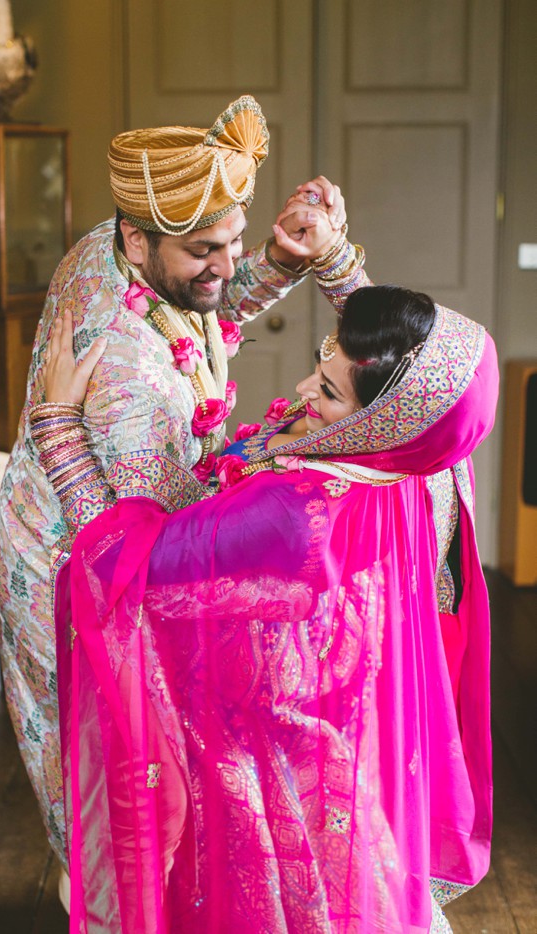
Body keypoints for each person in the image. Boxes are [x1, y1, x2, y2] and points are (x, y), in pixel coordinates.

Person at [32, 222, 498, 932]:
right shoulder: (419, 459)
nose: (310, 386)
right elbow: (407, 365)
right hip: (324, 720)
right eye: (323, 356)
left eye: (334, 394)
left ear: (377, 423)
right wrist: (335, 262)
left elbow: (126, 569)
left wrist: (59, 428)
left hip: (255, 746)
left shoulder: (296, 510)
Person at [0, 93, 355, 865]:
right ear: (136, 236)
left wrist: (280, 263)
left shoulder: (117, 246)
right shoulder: (130, 380)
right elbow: (146, 549)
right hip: (70, 566)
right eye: (205, 249)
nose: (226, 264)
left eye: (236, 242)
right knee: (116, 784)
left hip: (59, 518)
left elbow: (198, 307)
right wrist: (263, 479)